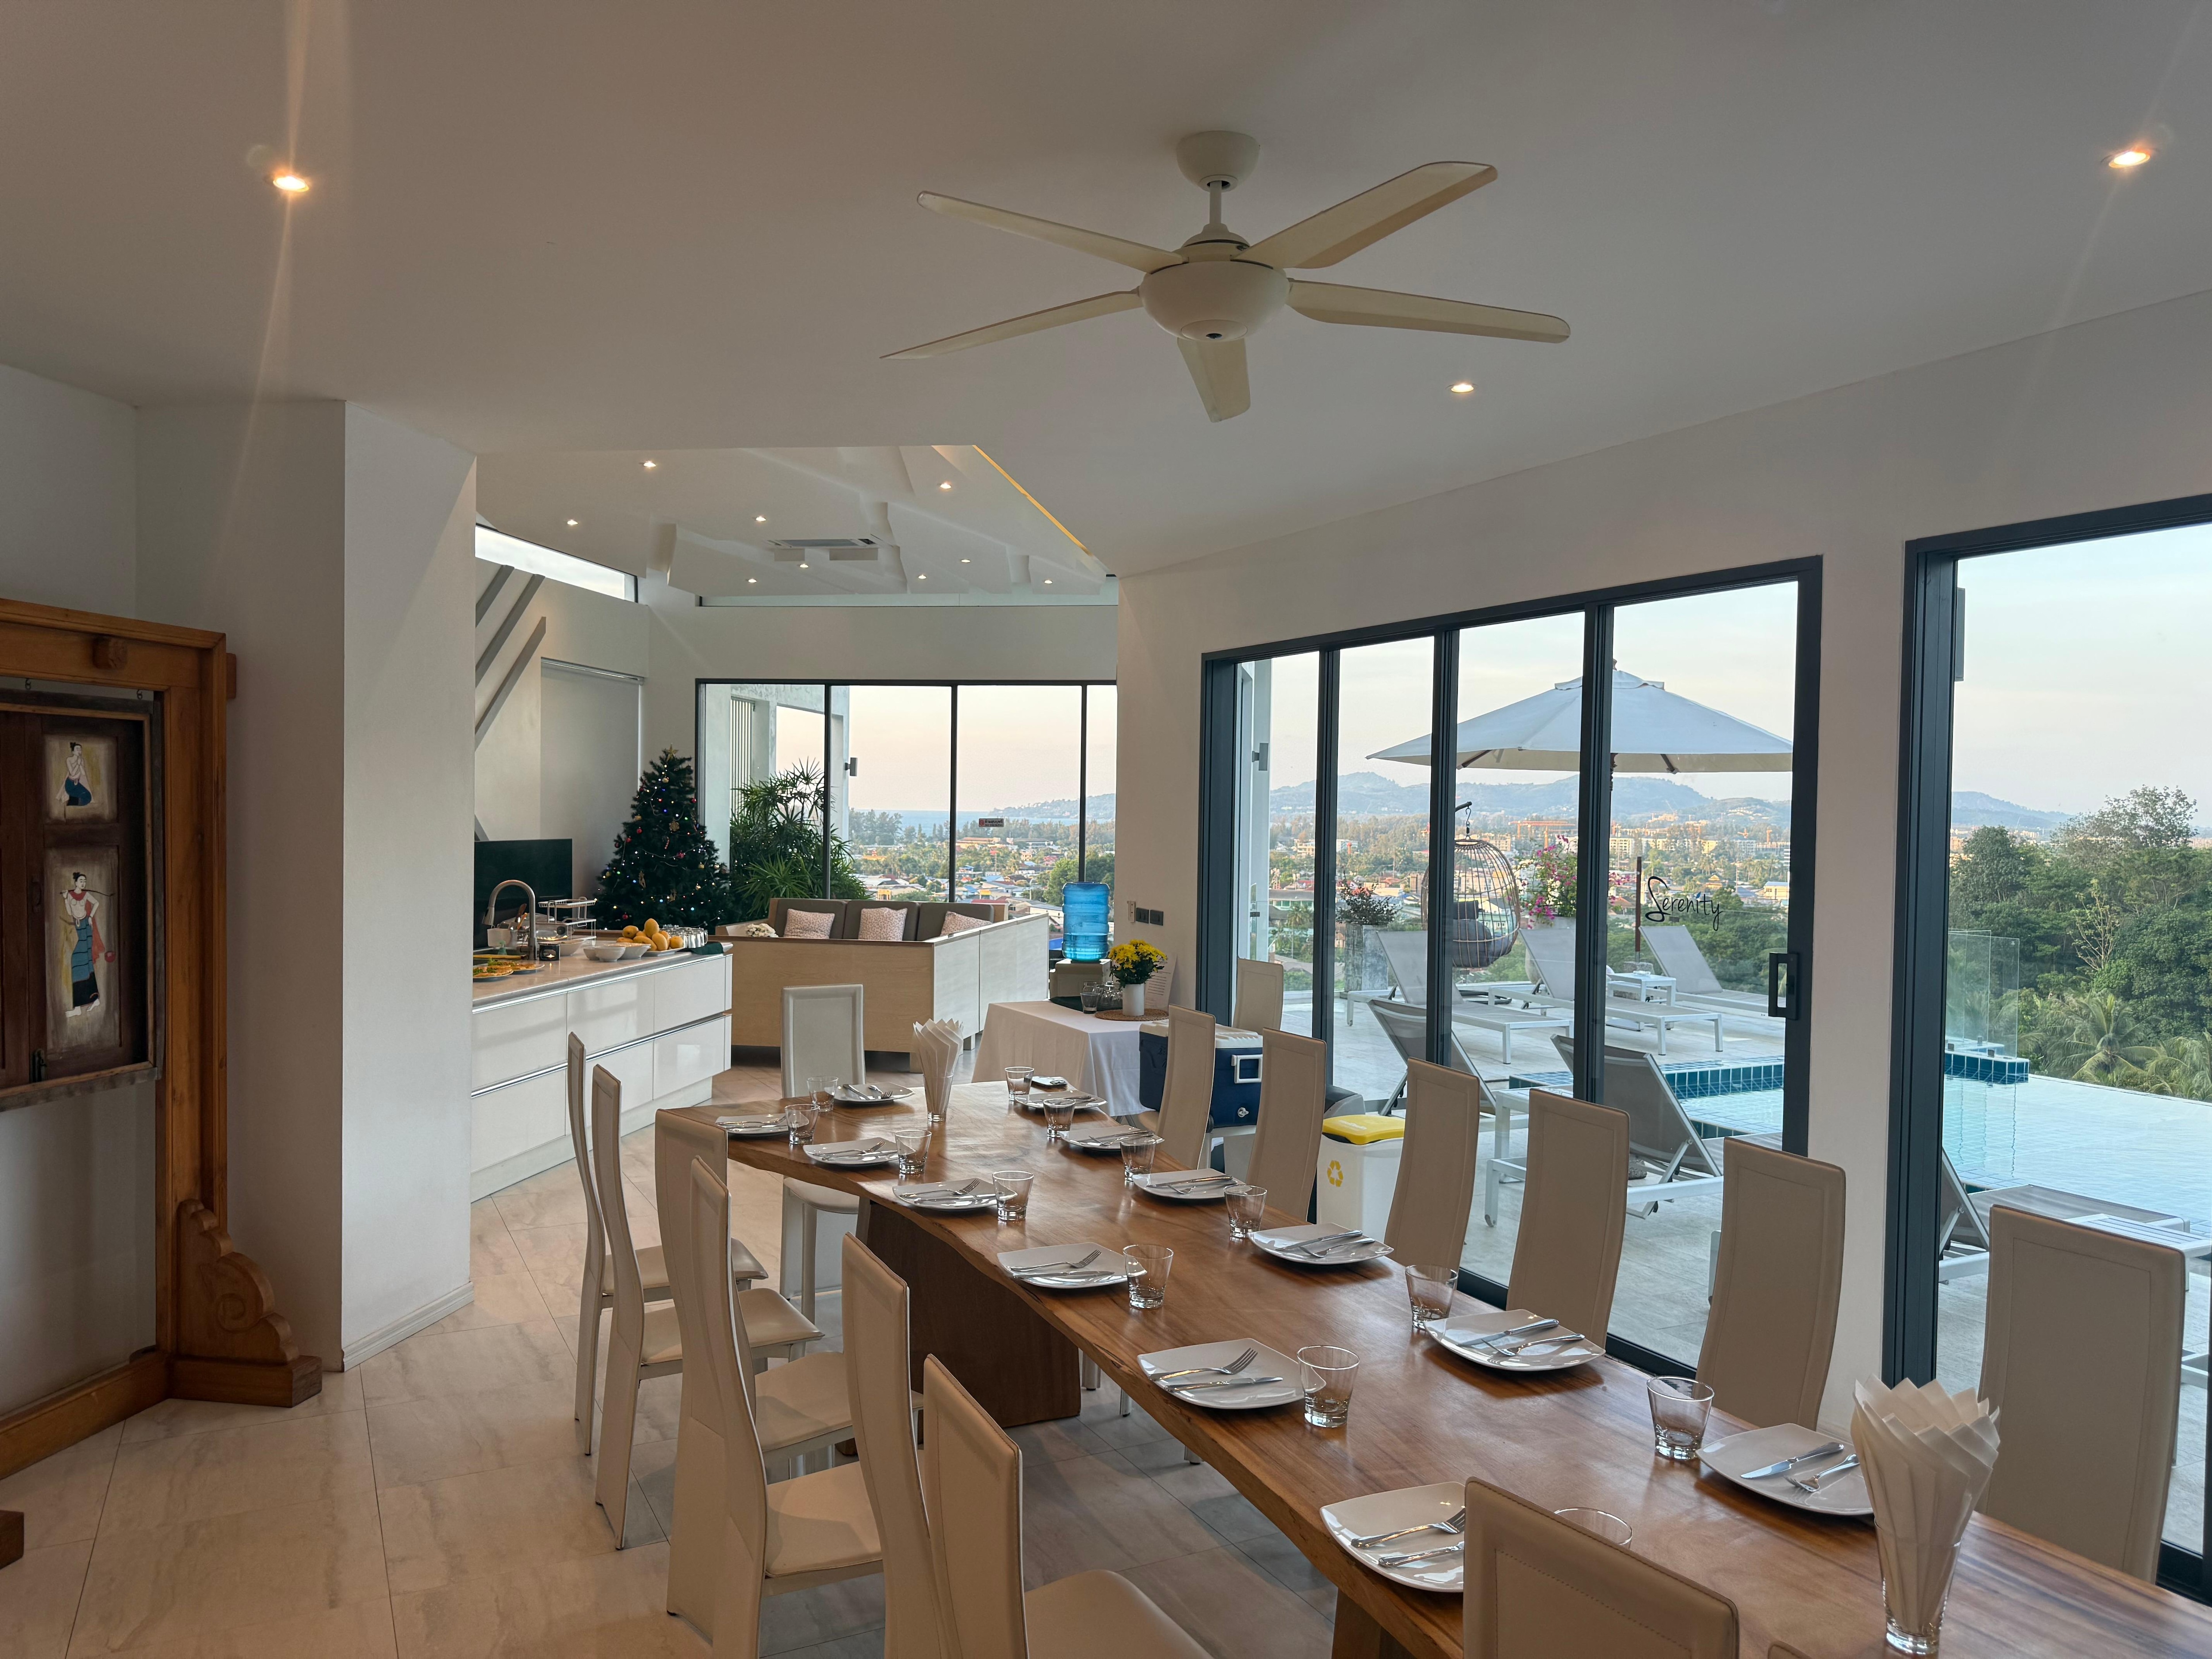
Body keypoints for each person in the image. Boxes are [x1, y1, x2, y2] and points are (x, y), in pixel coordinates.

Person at [61, 872, 110, 1013]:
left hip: (86, 928)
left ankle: (81, 1006)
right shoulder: (70, 895)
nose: (83, 883)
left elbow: (97, 903)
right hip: (79, 928)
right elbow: (70, 913)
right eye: (81, 881)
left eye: (85, 881)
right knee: (86, 964)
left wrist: (90, 917)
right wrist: (66, 899)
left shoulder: (86, 894)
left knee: (78, 961)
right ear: (76, 883)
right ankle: (92, 1000)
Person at [61, 741, 92, 810]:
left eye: (80, 750)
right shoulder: (69, 759)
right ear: (73, 752)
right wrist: (78, 764)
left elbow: (83, 774)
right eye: (77, 749)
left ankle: (71, 801)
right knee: (85, 798)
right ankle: (69, 802)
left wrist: (80, 764)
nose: (79, 751)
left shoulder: (81, 760)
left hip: (77, 783)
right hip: (70, 784)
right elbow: (72, 774)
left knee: (88, 797)